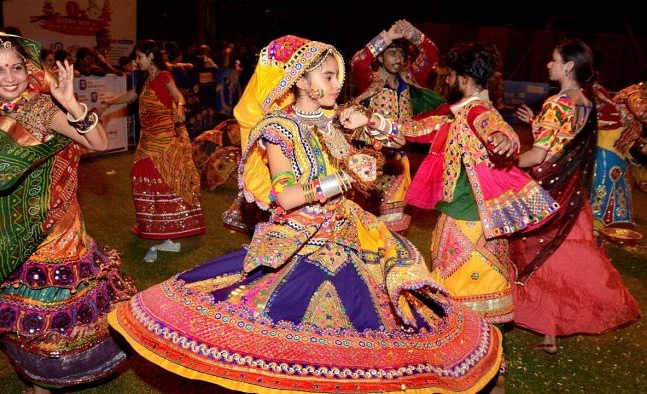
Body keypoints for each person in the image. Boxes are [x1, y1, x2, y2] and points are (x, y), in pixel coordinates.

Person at [108, 35, 504, 393]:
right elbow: (286, 197)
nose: (337, 85)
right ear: (300, 80)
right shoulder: (278, 128)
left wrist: (366, 155)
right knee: (298, 325)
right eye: (328, 77)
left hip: (350, 230)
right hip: (302, 236)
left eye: (337, 77)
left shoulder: (334, 120)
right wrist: (342, 178)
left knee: (381, 322)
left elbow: (382, 151)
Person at [0, 31, 135, 393]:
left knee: (49, 313)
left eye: (16, 67)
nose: (10, 77)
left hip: (52, 234)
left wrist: (72, 104)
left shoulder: (39, 108)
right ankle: (34, 376)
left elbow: (98, 141)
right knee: (16, 315)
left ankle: (48, 379)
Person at [404, 42, 559, 391]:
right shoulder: (456, 113)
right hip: (472, 221)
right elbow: (415, 129)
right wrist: (372, 121)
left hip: (470, 225)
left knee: (462, 301)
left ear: (463, 77)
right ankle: (491, 370)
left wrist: (506, 141)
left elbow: (498, 131)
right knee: (480, 297)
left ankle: (475, 369)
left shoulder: (477, 112)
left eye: (449, 76)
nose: (445, 81)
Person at [512, 39, 640, 354]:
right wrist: (535, 122)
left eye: (553, 60)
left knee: (538, 256)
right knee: (559, 260)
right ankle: (550, 334)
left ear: (569, 65)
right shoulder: (584, 102)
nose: (548, 65)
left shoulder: (558, 103)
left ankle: (538, 324)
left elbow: (540, 154)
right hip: (571, 192)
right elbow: (564, 143)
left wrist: (501, 159)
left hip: (548, 191)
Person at [101, 40, 205, 240]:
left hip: (164, 140)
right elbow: (131, 95)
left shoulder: (163, 76)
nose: (136, 61)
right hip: (147, 138)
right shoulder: (145, 79)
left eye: (139, 56)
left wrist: (181, 107)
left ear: (151, 56)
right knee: (141, 175)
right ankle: (153, 223)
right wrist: (107, 103)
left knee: (166, 178)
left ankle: (176, 223)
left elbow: (178, 96)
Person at [350, 20, 447, 232]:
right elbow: (358, 61)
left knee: (396, 217)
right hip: (369, 158)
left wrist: (412, 33)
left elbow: (431, 53)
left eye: (401, 54)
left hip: (399, 159)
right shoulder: (370, 80)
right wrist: (387, 37)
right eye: (392, 53)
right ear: (381, 57)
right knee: (367, 217)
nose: (398, 59)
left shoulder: (410, 78)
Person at [590, 81, 645, 228]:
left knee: (619, 181)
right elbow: (643, 114)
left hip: (620, 145)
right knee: (605, 181)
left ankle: (617, 218)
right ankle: (595, 220)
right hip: (608, 144)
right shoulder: (636, 94)